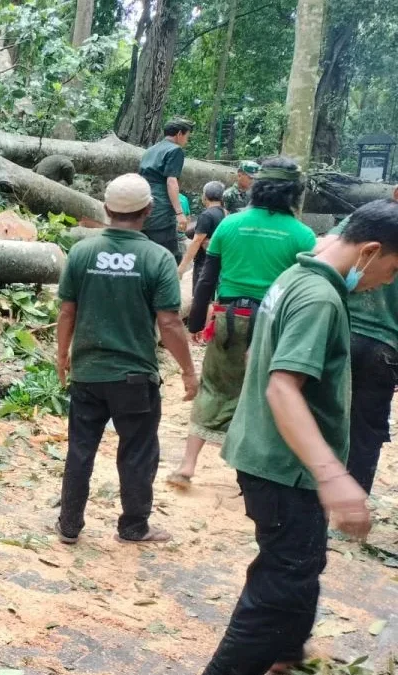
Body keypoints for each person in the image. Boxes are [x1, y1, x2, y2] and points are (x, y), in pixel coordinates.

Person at [201, 199, 398, 675]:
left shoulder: (295, 276)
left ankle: (286, 655)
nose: (388, 282)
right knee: (281, 581)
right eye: (392, 270)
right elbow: (282, 386)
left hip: (266, 452)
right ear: (370, 251)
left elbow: (259, 361)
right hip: (285, 467)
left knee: (300, 563)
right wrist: (333, 475)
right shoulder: (320, 299)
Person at [55, 173, 198, 546]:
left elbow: (67, 312)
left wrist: (62, 357)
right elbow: (169, 322)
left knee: (80, 449)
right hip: (135, 377)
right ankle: (133, 527)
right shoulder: (157, 258)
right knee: (137, 453)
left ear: (106, 209)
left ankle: (69, 525)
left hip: (88, 373)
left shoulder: (82, 253)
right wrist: (187, 370)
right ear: (148, 211)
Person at [168, 158, 316, 488]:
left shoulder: (230, 225)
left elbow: (207, 279)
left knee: (214, 388)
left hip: (228, 318)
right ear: (293, 193)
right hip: (274, 323)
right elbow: (308, 289)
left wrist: (195, 324)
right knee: (265, 394)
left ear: (257, 188)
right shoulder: (303, 236)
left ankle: (187, 466)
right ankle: (249, 477)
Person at [314, 189, 398, 494]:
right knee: (367, 429)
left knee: (325, 411)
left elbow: (320, 251)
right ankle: (353, 497)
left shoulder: (359, 222)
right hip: (383, 346)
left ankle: (319, 491)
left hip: (341, 330)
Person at [139, 118, 194, 262]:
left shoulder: (150, 150)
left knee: (146, 252)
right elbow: (171, 181)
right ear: (179, 134)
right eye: (187, 136)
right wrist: (180, 213)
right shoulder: (175, 150)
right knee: (168, 257)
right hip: (161, 209)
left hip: (143, 204)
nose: (186, 141)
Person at [178, 181, 227, 290]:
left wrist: (182, 267)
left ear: (205, 196)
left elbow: (196, 242)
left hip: (204, 264)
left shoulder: (207, 215)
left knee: (200, 298)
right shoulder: (225, 213)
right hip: (219, 263)